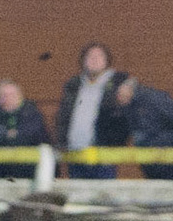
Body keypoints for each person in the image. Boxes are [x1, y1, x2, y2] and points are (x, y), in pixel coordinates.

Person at [55, 43, 129, 180]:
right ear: (83, 61)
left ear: (107, 60)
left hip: (103, 156)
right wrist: (61, 143)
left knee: (103, 192)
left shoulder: (118, 84)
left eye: (99, 56)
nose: (94, 59)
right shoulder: (73, 85)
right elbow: (63, 116)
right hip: (75, 154)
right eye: (90, 56)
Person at [114, 76, 173, 179]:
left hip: (171, 162)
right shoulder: (128, 108)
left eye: (119, 93)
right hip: (154, 164)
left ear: (127, 88)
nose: (117, 97)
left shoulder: (151, 99)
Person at [0, 79, 49, 179]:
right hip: (1, 173)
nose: (8, 99)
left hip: (30, 172)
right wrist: (9, 135)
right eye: (4, 95)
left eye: (12, 95)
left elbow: (29, 137)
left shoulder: (32, 113)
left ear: (20, 96)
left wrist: (5, 136)